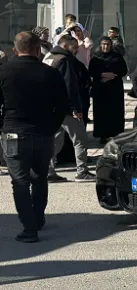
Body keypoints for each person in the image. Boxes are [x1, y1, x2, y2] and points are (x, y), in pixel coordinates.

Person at [0, 32, 70, 242]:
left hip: (13, 132)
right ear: (38, 49)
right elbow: (63, 106)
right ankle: (37, 218)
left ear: (15, 49)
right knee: (40, 179)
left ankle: (29, 228)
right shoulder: (50, 73)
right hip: (42, 134)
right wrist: (51, 127)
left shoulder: (4, 72)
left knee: (20, 182)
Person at [45, 34, 93, 182]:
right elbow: (70, 86)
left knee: (54, 140)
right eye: (74, 47)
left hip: (51, 107)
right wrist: (75, 108)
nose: (77, 50)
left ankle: (49, 171)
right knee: (80, 139)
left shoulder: (48, 57)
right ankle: (82, 172)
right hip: (66, 108)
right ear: (65, 46)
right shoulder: (64, 61)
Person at [88, 36, 128, 145]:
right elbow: (91, 71)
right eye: (104, 44)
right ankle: (102, 135)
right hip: (100, 90)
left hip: (114, 90)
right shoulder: (96, 57)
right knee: (101, 113)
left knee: (115, 113)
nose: (105, 46)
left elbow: (124, 70)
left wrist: (113, 75)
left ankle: (116, 134)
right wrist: (102, 74)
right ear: (100, 45)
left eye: (108, 44)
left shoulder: (117, 57)